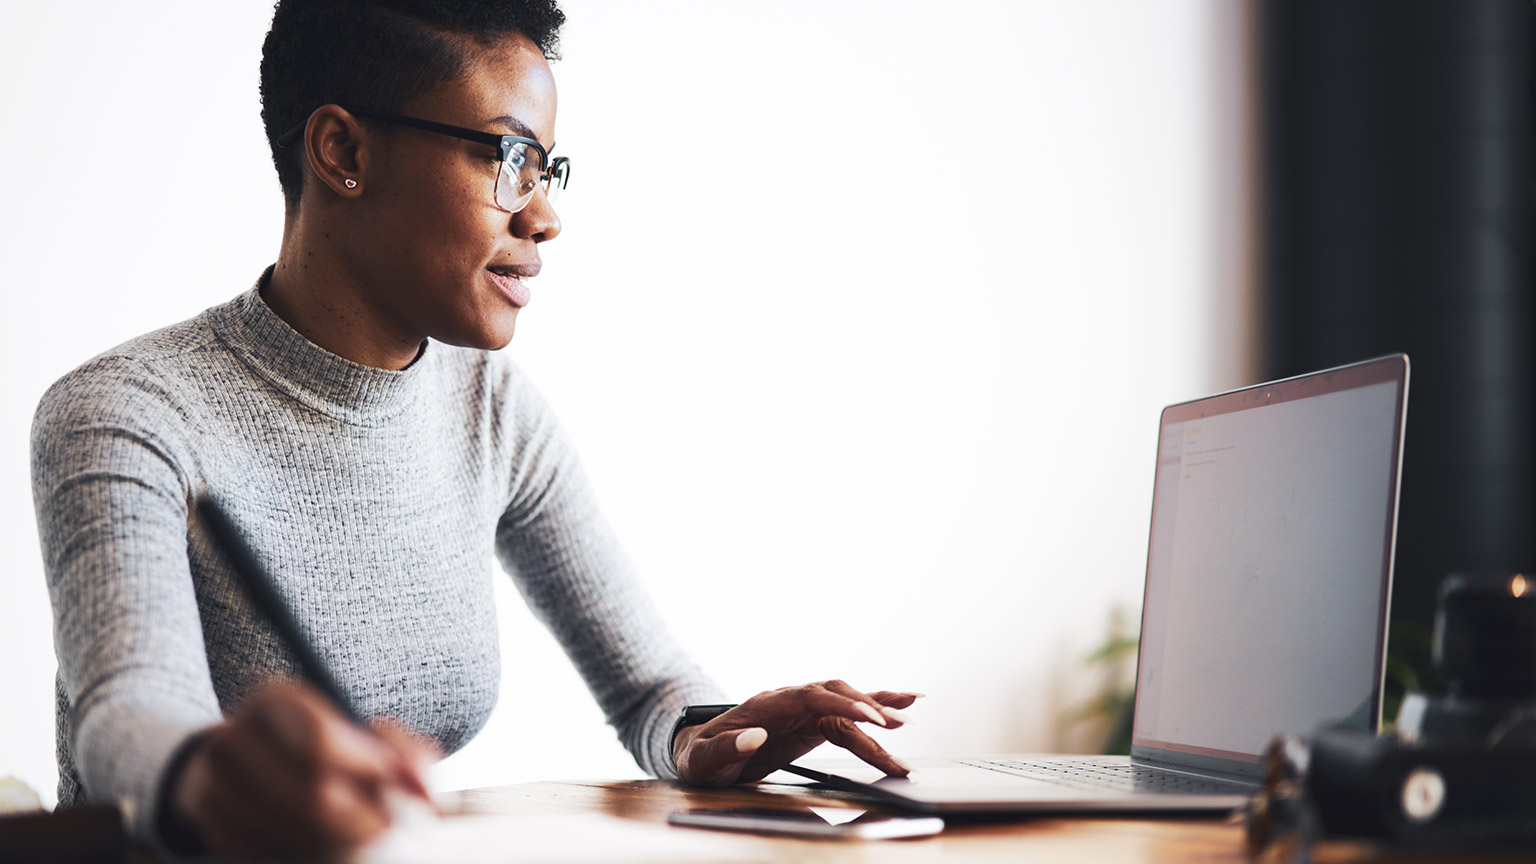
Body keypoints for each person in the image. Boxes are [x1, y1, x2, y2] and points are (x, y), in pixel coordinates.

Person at [28, 0, 917, 859]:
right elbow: (129, 714)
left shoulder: (490, 406)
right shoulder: (128, 413)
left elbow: (652, 689)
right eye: (508, 156)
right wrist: (212, 777)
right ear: (342, 150)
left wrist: (710, 737)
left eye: (546, 168)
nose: (545, 214)